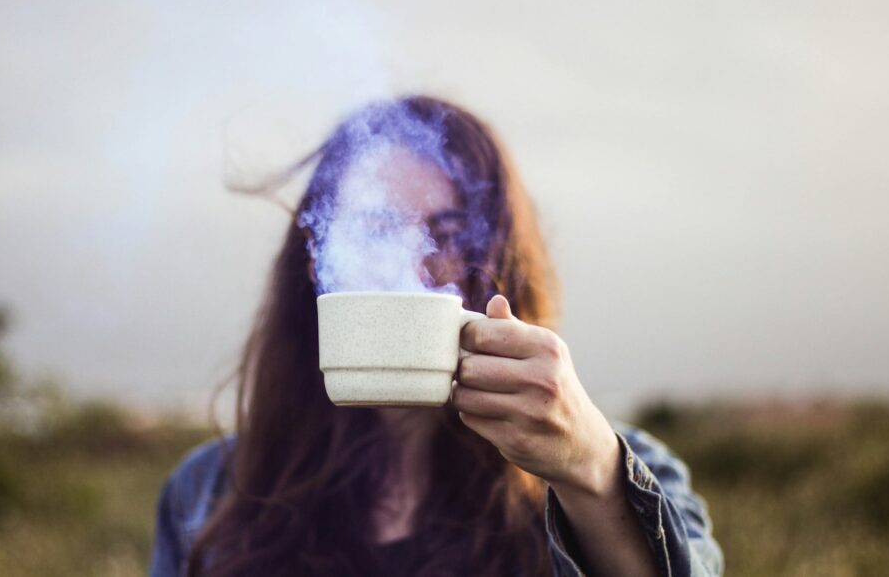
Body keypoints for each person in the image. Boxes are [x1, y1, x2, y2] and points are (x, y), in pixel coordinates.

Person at [149, 96, 723, 577]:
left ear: (497, 259)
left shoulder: (621, 471)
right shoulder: (206, 492)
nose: (418, 264)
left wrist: (592, 472)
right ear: (313, 258)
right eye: (376, 227)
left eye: (449, 233)